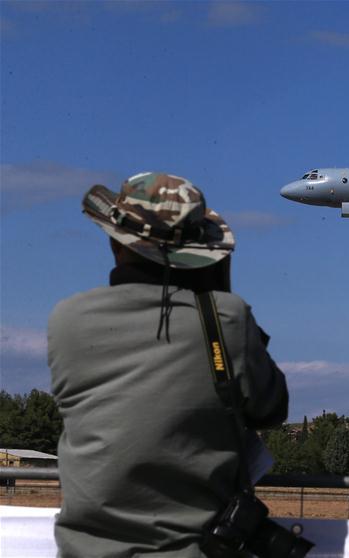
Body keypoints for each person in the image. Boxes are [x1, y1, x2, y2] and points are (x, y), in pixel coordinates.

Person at [49, 172, 289, 557]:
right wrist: (217, 295)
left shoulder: (66, 320)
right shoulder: (226, 318)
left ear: (116, 243)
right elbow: (271, 408)